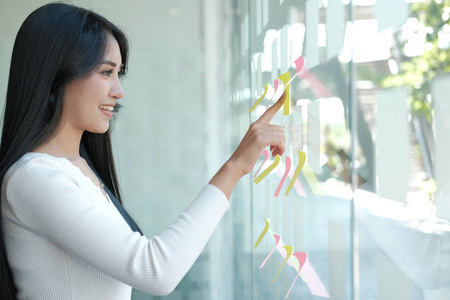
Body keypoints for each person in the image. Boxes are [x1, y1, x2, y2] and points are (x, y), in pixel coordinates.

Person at [0, 3, 286, 300]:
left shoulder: (76, 168)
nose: (118, 91)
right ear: (56, 72)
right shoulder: (34, 178)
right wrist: (235, 166)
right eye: (105, 72)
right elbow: (156, 270)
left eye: (118, 74)